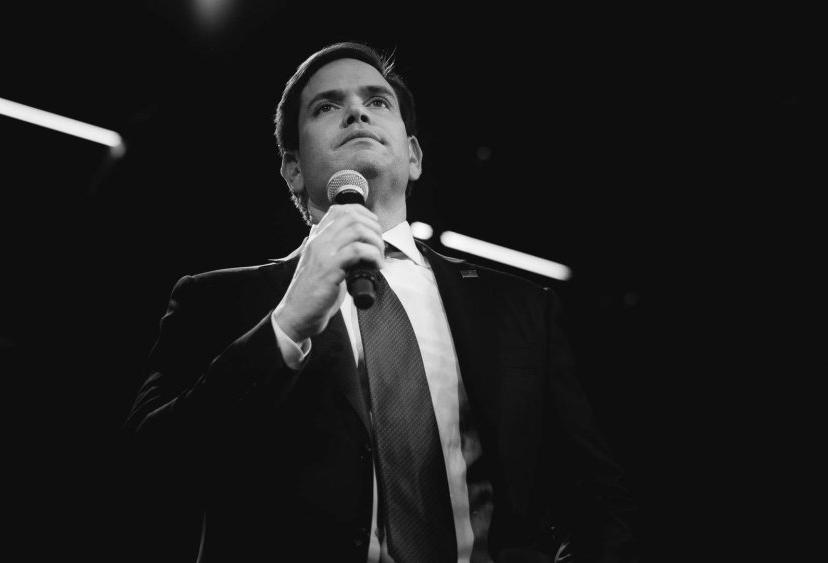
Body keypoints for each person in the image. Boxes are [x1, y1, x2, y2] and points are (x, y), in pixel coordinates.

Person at [123, 41, 637, 563]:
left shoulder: (521, 308)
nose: (357, 112)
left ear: (413, 156)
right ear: (293, 169)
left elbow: (597, 499)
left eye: (377, 100)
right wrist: (286, 324)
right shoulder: (216, 300)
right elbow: (148, 472)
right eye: (327, 106)